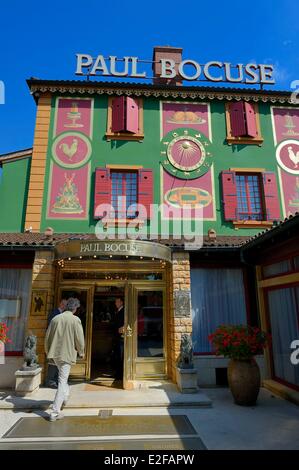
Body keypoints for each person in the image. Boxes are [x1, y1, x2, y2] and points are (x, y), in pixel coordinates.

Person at [45, 297, 85, 422]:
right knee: (62, 381)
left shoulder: (56, 319)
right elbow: (79, 339)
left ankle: (65, 396)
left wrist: (48, 351)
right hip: (66, 355)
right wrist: (81, 351)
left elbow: (47, 337)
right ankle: (55, 412)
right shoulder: (75, 320)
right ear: (75, 308)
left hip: (55, 354)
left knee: (63, 378)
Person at [45, 298, 68, 388]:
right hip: (55, 341)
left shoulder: (62, 314)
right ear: (61, 304)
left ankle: (56, 380)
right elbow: (51, 327)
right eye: (65, 305)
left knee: (57, 361)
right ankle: (50, 381)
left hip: (60, 342)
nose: (65, 307)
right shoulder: (54, 313)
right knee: (53, 362)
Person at [114, 297, 125, 380]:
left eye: (117, 302)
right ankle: (118, 373)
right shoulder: (118, 311)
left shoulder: (123, 311)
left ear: (121, 302)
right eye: (115, 302)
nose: (116, 303)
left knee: (120, 356)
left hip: (121, 336)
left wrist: (123, 328)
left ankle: (120, 375)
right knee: (117, 355)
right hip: (117, 336)